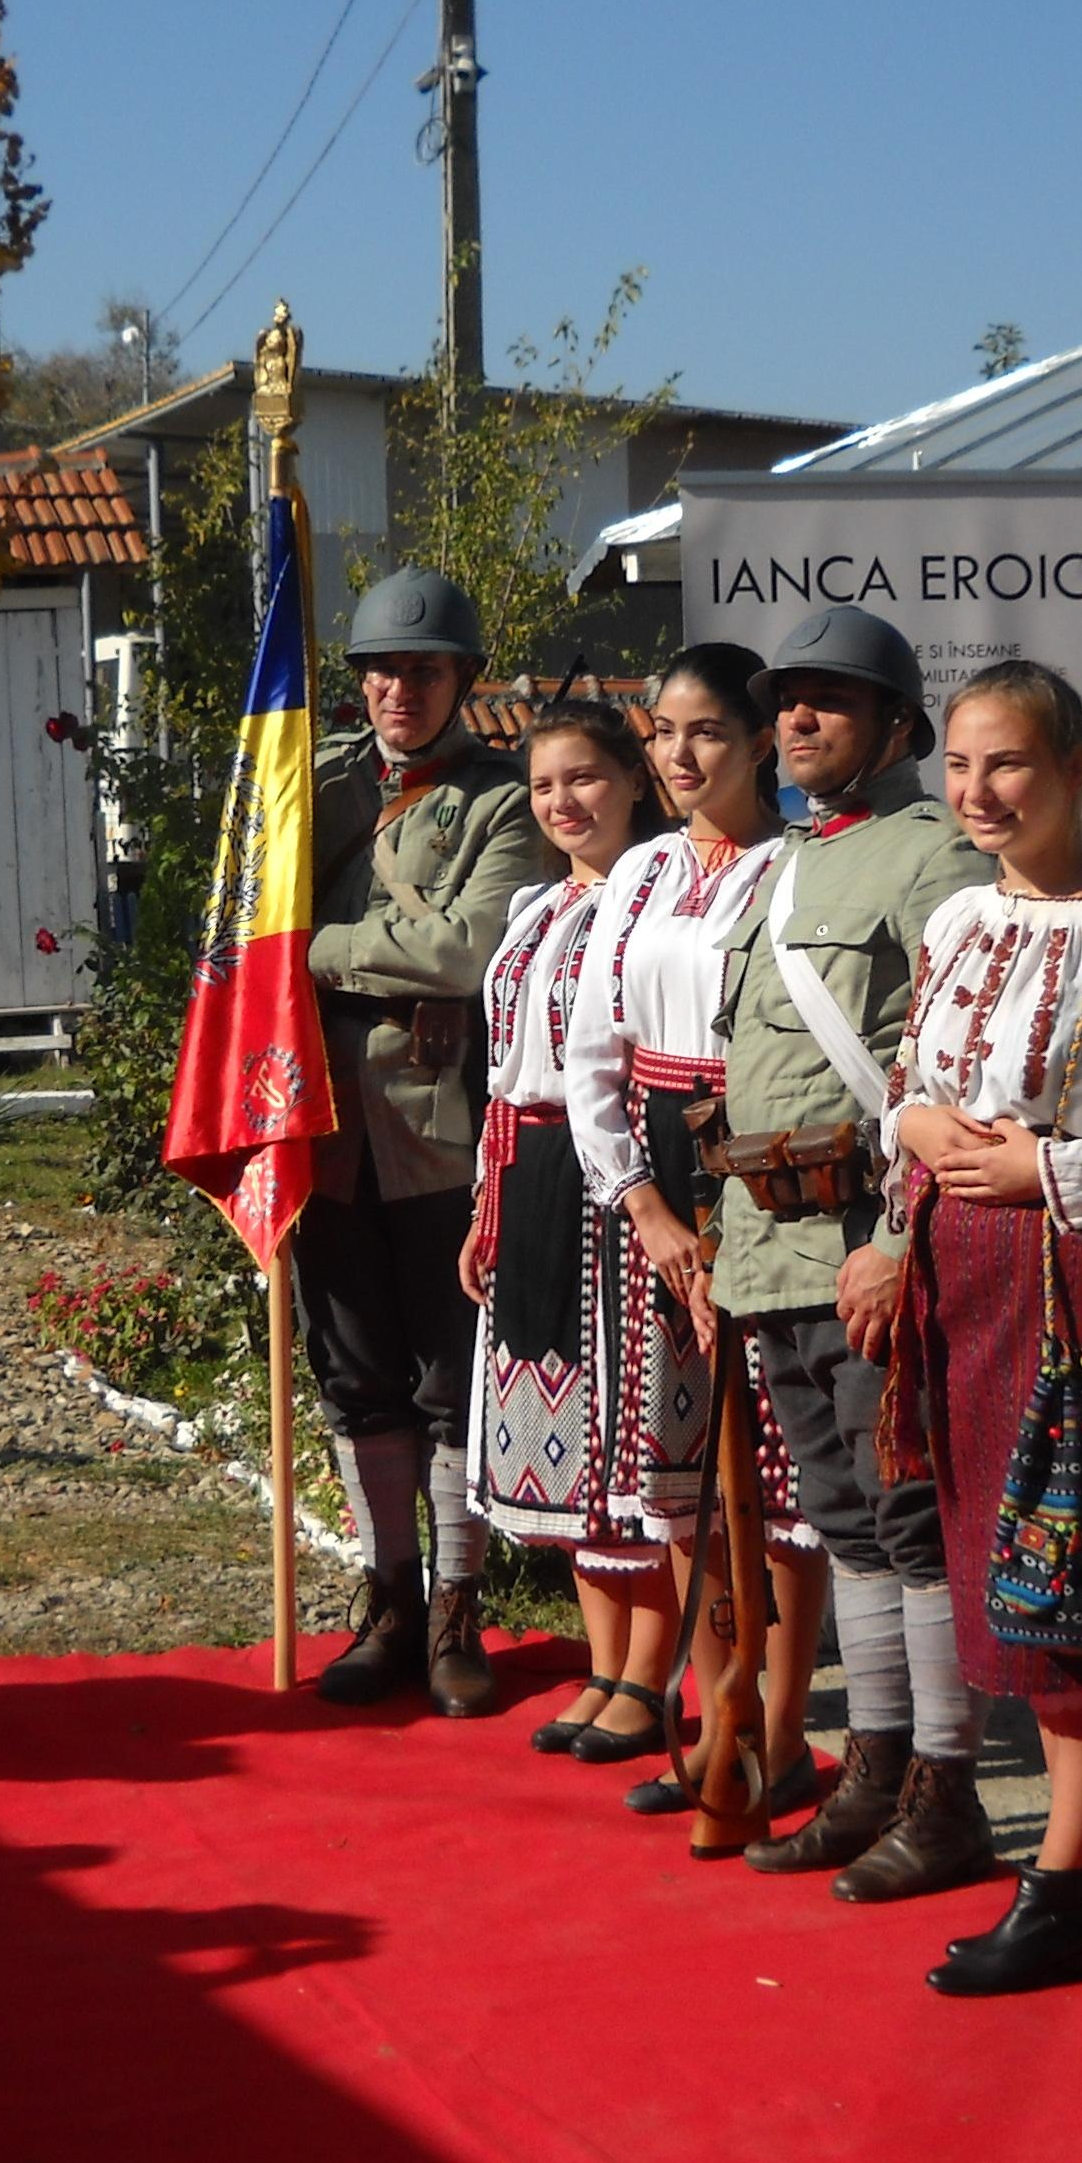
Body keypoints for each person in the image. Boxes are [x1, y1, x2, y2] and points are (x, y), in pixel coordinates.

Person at [872, 662, 1082, 1994]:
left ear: (1077, 769)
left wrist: (1045, 1171)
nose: (978, 791)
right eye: (959, 765)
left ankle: (1062, 1887)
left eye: (1006, 763)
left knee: (1070, 1573)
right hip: (959, 1274)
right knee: (998, 1564)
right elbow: (909, 1078)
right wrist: (912, 1125)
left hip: (1070, 1274)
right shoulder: (957, 917)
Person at [699, 605, 994, 1899]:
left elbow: (951, 1067)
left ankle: (947, 1787)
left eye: (830, 699)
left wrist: (898, 1239)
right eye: (789, 700)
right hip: (772, 1251)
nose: (799, 719)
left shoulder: (935, 860)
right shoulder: (778, 866)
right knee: (843, 1523)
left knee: (911, 1522)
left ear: (897, 727)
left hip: (873, 1253)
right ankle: (874, 1770)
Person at [563, 644, 825, 1794]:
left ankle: (782, 1728)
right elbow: (592, 1053)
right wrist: (645, 1208)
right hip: (657, 1176)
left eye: (706, 731)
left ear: (761, 741)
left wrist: (733, 1202)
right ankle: (718, 1717)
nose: (678, 753)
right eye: (662, 731)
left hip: (766, 1164)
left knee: (781, 1468)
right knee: (678, 1467)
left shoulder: (797, 865)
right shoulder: (642, 871)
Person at [302, 567, 558, 1716]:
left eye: (423, 670)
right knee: (355, 1372)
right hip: (320, 1118)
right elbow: (246, 920)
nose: (398, 690)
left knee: (450, 1379)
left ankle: (457, 1603)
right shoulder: (311, 788)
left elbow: (466, 950)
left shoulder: (499, 802)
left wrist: (316, 950)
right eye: (381, 671)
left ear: (463, 680)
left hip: (437, 1123)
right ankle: (389, 1601)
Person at [463, 699, 672, 1754]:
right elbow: (506, 1073)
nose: (564, 802)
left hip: (620, 1173)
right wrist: (487, 1201)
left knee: (628, 1438)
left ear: (633, 779)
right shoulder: (535, 905)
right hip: (532, 1169)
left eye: (584, 777)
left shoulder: (657, 899)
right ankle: (601, 1666)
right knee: (566, 1439)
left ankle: (650, 1677)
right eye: (545, 785)